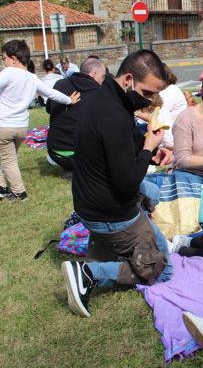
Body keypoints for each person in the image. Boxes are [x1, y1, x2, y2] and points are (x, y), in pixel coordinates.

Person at [60, 49, 172, 317]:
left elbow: (118, 152)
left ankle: (103, 254)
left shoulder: (102, 97)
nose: (151, 101)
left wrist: (149, 149)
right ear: (128, 79)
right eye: (147, 93)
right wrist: (147, 149)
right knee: (163, 267)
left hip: (88, 204)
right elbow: (126, 184)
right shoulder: (115, 115)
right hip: (111, 212)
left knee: (151, 190)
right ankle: (89, 273)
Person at [0, 40, 79, 202]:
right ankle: (1, 188)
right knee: (7, 158)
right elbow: (52, 93)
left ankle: (19, 193)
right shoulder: (32, 78)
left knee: (9, 160)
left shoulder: (8, 73)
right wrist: (69, 100)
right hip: (21, 127)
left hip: (4, 124)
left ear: (14, 59)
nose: (3, 61)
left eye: (4, 58)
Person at [47, 57, 106, 178]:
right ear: (94, 74)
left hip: (54, 151)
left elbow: (48, 108)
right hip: (79, 154)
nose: (103, 81)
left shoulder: (59, 84)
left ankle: (70, 168)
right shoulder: (98, 93)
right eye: (103, 77)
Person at [157, 64, 188, 150]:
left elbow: (162, 118)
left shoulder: (167, 92)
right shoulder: (170, 89)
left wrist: (169, 145)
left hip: (173, 141)